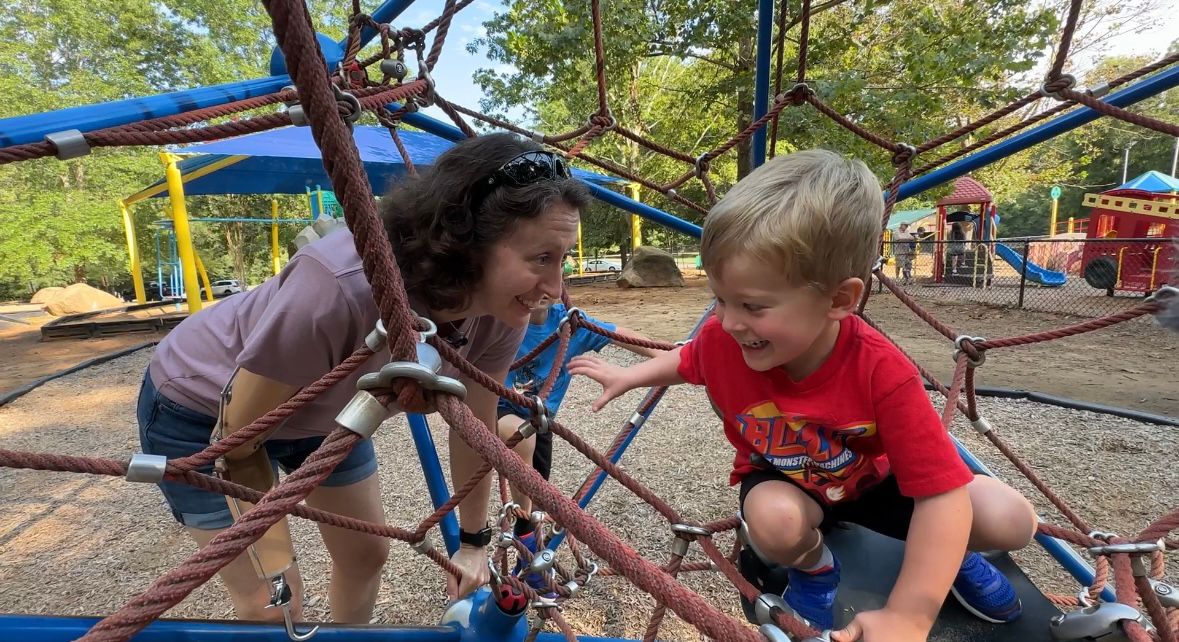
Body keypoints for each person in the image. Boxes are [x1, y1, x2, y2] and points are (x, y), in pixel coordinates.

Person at [569, 150, 1036, 641]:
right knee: (773, 523)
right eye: (720, 298)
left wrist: (909, 616)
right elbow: (689, 361)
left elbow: (940, 493)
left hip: (870, 480)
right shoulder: (723, 339)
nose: (728, 321)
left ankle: (948, 558)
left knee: (1011, 521)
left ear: (839, 300)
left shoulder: (882, 371)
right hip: (786, 478)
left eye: (751, 305)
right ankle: (815, 566)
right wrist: (632, 374)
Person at [136, 133, 590, 623]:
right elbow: (238, 438)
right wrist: (273, 553)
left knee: (366, 554)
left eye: (561, 259)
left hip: (328, 413)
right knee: (273, 600)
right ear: (466, 241)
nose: (555, 287)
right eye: (541, 258)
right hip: (203, 407)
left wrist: (474, 541)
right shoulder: (339, 285)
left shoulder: (508, 310)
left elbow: (475, 426)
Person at [495, 296, 659, 581]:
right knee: (519, 441)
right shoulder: (499, 317)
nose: (539, 290)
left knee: (536, 489)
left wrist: (667, 354)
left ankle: (529, 538)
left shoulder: (568, 324)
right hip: (498, 410)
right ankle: (525, 539)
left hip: (541, 420)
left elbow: (620, 335)